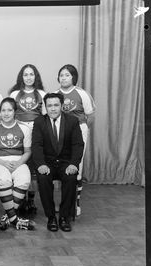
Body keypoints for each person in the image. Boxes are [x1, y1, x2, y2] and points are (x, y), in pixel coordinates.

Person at [31, 92, 84, 232]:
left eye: (56, 105)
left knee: (71, 178)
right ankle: (51, 217)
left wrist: (74, 164)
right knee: (42, 178)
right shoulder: (39, 122)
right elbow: (36, 146)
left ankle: (64, 217)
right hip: (46, 163)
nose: (53, 109)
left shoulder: (72, 121)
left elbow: (78, 145)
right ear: (45, 107)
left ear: (61, 106)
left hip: (66, 162)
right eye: (49, 106)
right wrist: (41, 164)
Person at [0, 97, 35, 231]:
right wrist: (3, 162)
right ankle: (14, 218)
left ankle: (8, 216)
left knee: (24, 180)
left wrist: (19, 162)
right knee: (4, 180)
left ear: (15, 112)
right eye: (3, 110)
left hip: (19, 161)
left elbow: (28, 151)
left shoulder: (24, 128)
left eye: (9, 110)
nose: (6, 113)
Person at [56, 64, 96, 216]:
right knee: (61, 164)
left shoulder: (82, 94)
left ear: (73, 77)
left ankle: (76, 203)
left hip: (79, 130)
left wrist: (82, 130)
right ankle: (63, 200)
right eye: (61, 75)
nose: (64, 78)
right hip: (60, 132)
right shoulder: (54, 94)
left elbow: (90, 116)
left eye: (67, 75)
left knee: (76, 164)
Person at [9, 64, 47, 216]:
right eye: (26, 74)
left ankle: (31, 199)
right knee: (22, 163)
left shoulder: (42, 94)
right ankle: (20, 198)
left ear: (36, 76)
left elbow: (45, 117)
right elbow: (9, 115)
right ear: (21, 77)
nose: (29, 77)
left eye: (32, 74)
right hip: (19, 133)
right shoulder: (15, 94)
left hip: (37, 133)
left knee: (34, 166)